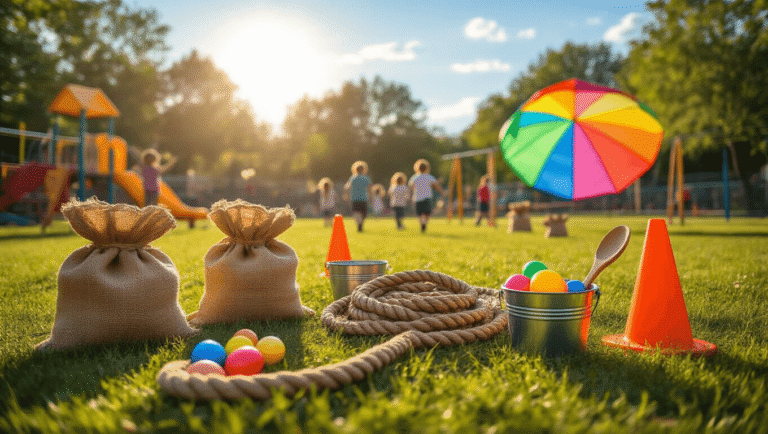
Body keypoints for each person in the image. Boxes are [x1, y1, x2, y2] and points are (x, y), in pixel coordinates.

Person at [409, 159, 444, 233]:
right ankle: (424, 223)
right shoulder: (429, 177)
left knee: (419, 213)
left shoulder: (414, 177)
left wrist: (413, 191)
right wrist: (441, 192)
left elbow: (410, 186)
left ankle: (422, 223)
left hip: (417, 198)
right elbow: (436, 185)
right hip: (427, 198)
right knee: (428, 213)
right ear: (427, 168)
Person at [344, 161, 372, 232]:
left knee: (356, 212)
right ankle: (360, 224)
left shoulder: (353, 178)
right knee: (363, 213)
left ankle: (359, 223)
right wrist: (370, 196)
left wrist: (346, 195)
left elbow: (347, 187)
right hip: (363, 198)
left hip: (355, 198)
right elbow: (369, 188)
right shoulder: (366, 178)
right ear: (364, 170)